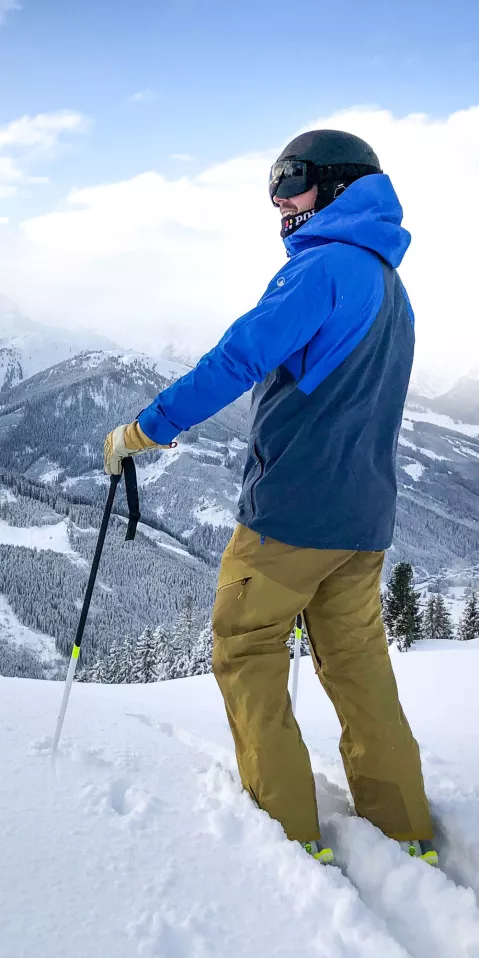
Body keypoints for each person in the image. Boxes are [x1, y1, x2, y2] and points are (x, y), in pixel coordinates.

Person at [104, 129, 437, 867]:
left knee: (246, 646)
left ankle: (287, 835)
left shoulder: (321, 269)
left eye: (290, 181)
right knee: (357, 667)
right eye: (272, 186)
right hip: (363, 518)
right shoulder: (388, 283)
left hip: (291, 515)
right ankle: (404, 827)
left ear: (340, 186)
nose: (279, 201)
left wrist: (142, 430)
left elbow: (237, 356)